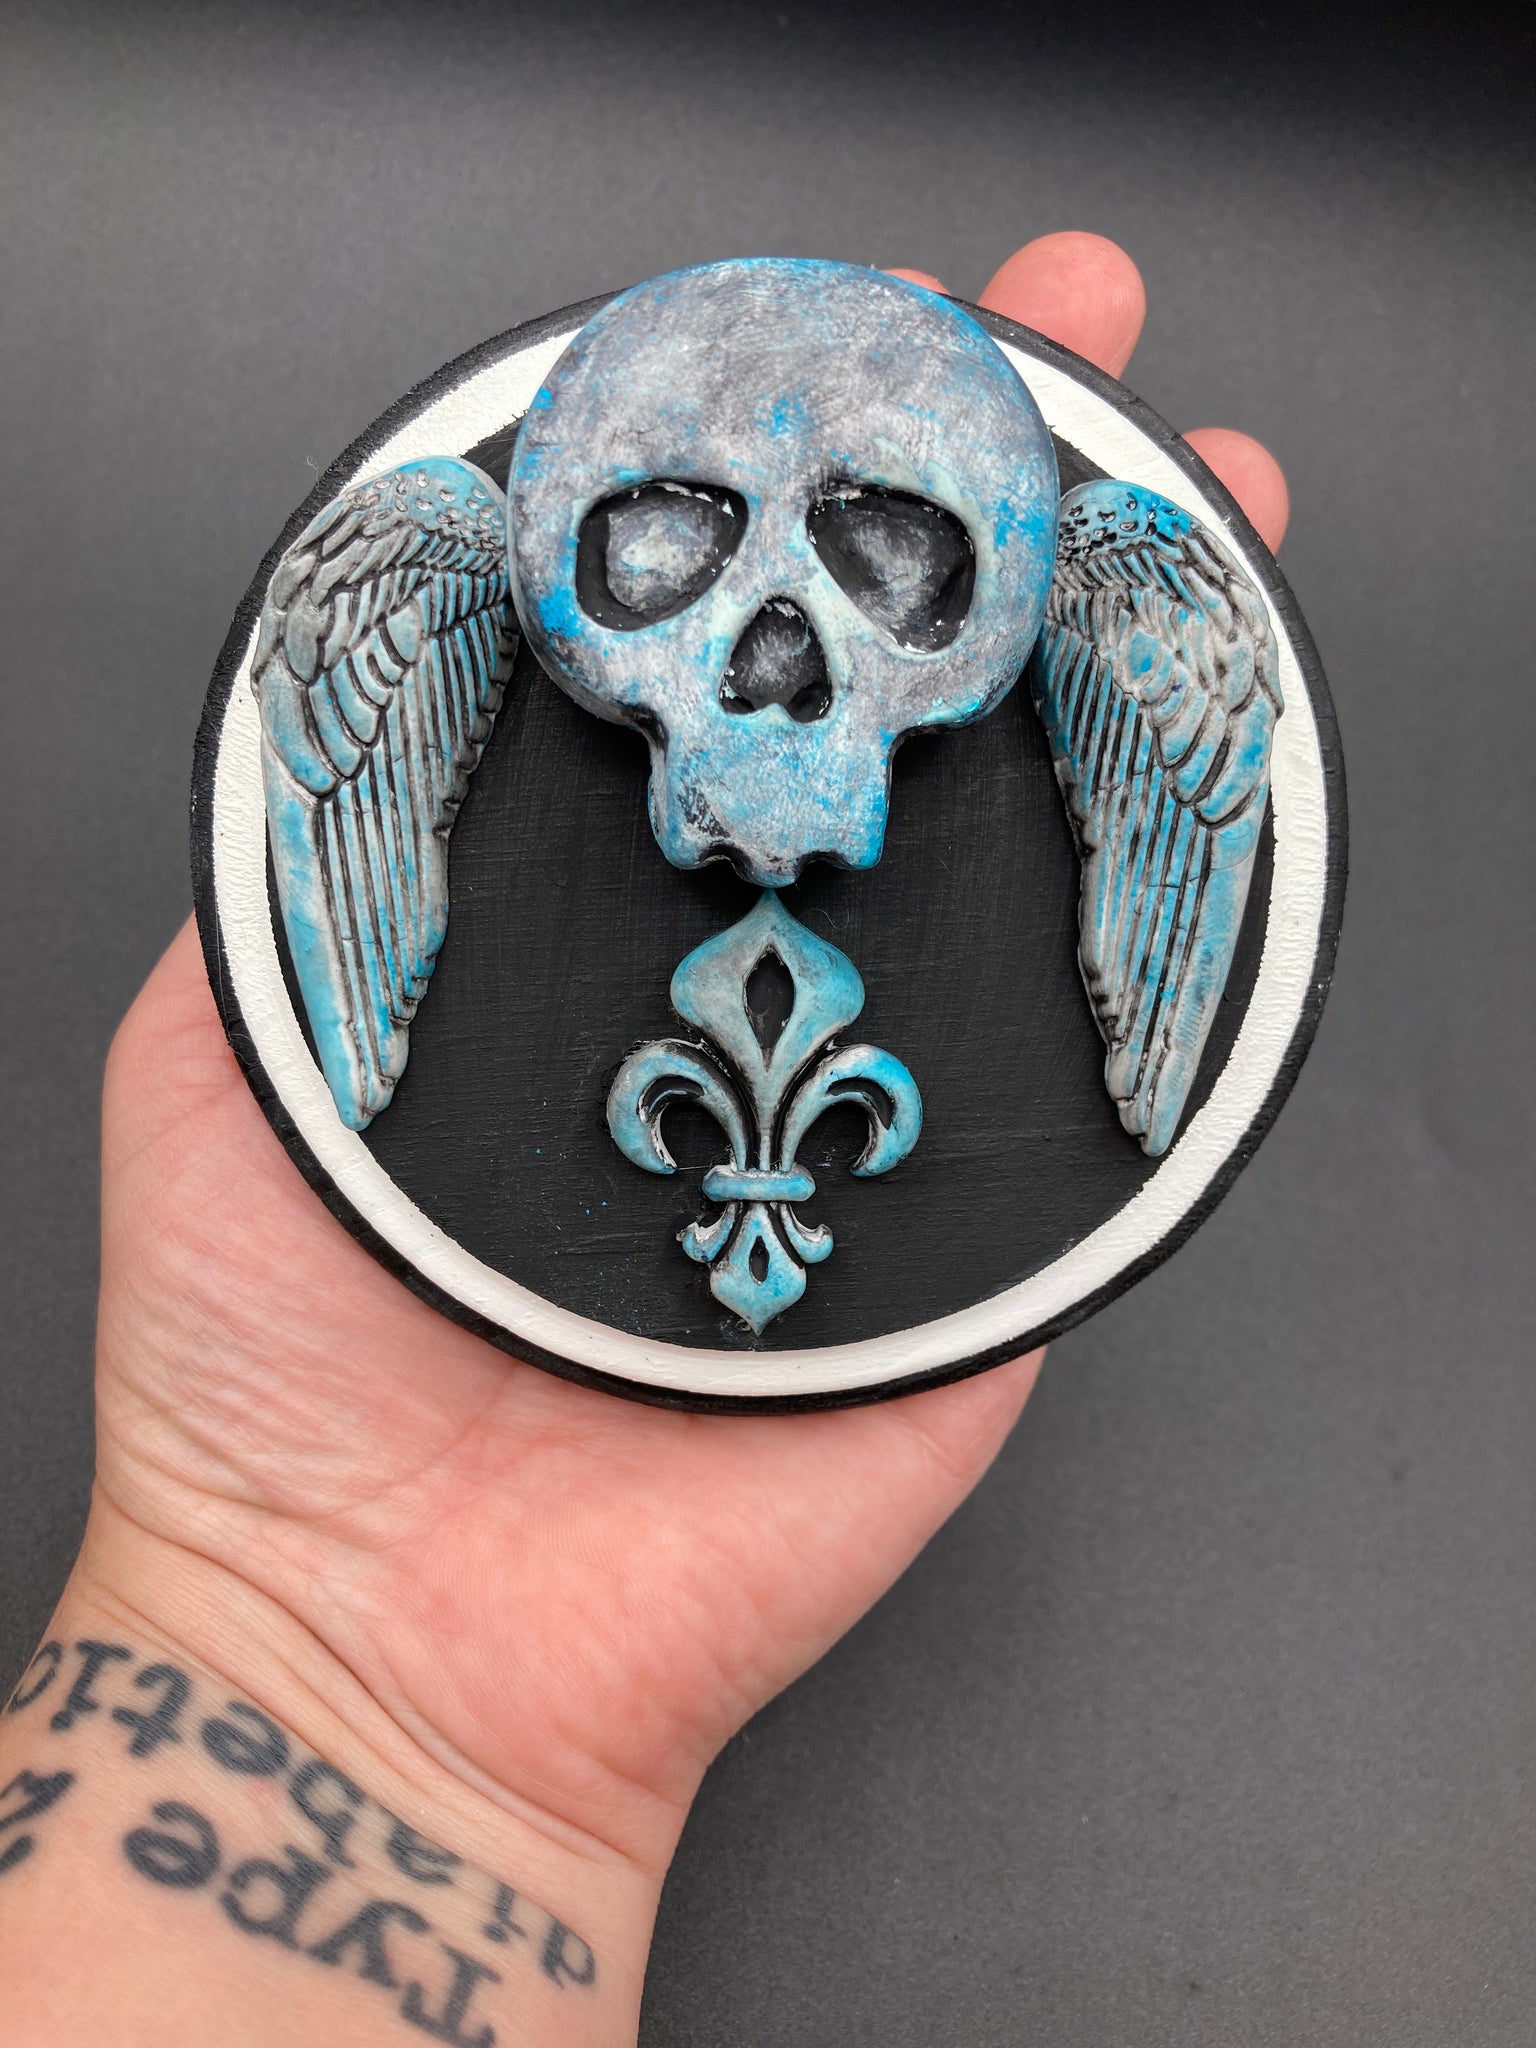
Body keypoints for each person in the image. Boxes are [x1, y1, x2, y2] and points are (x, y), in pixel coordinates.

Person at [0, 232, 1288, 2046]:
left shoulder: (1095, 598)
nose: (775, 663)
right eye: (665, 555)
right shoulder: (431, 563)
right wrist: (275, 1624)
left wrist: (281, 1650)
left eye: (893, 568)